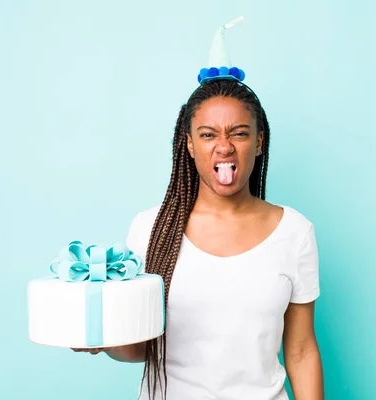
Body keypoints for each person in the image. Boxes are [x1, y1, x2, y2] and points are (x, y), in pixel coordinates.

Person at [74, 19, 324, 400]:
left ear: (259, 142)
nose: (224, 146)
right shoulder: (150, 228)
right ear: (189, 145)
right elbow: (140, 348)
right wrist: (101, 338)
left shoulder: (294, 232)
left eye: (239, 132)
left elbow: (302, 350)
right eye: (208, 135)